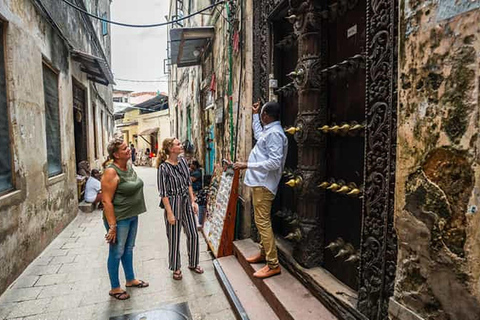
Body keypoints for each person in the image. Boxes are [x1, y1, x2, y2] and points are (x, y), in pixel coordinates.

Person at [234, 101, 288, 279]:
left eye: (261, 114)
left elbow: (274, 162)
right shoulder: (269, 131)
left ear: (267, 116)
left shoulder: (274, 134)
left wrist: (246, 164)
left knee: (263, 222)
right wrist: (256, 115)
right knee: (261, 221)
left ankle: (273, 264)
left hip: (264, 185)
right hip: (260, 183)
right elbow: (259, 135)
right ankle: (264, 253)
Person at [101, 137, 149, 300]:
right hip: (119, 218)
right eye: (124, 149)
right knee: (116, 252)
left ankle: (130, 279)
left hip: (132, 215)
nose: (128, 149)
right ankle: (115, 288)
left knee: (128, 249)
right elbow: (106, 201)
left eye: (127, 147)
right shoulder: (111, 172)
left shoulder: (128, 166)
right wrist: (112, 226)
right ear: (115, 154)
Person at [156, 138, 203, 280]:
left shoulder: (182, 161)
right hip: (173, 203)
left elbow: (188, 182)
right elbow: (163, 193)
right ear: (170, 149)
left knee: (193, 233)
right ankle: (176, 267)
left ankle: (193, 263)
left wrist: (193, 201)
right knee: (174, 237)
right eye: (177, 144)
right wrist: (169, 213)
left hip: (186, 201)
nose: (181, 145)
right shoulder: (163, 168)